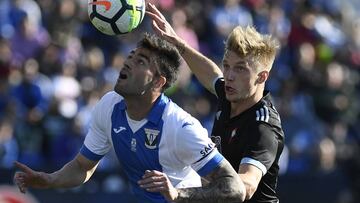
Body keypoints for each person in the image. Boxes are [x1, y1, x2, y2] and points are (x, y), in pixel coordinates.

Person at [13, 33, 246, 203]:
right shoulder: (109, 105)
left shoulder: (180, 127)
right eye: (131, 56)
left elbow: (234, 188)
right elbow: (83, 166)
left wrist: (178, 194)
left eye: (140, 62)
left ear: (158, 82)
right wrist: (50, 180)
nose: (128, 62)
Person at [147, 3, 285, 203]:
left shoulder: (263, 126)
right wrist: (177, 42)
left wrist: (181, 193)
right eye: (227, 66)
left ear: (262, 77)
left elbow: (246, 187)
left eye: (240, 69)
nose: (228, 76)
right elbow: (211, 74)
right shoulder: (232, 94)